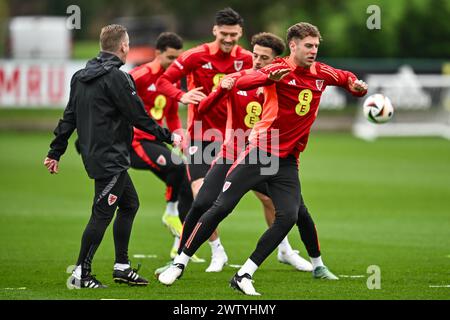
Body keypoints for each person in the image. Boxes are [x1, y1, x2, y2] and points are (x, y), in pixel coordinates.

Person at [157, 22, 368, 295]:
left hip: (288, 161)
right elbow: (251, 78)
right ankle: (181, 262)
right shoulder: (278, 69)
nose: (314, 51)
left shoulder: (322, 72)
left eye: (316, 46)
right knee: (220, 207)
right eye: (308, 46)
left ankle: (245, 273)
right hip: (259, 154)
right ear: (293, 46)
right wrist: (232, 81)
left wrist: (357, 87)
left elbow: (346, 78)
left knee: (290, 215)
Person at [157, 32, 313, 277]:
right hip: (227, 146)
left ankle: (289, 251)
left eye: (264, 58)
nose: (258, 61)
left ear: (277, 60)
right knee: (203, 202)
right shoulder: (237, 77)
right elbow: (203, 108)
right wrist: (218, 90)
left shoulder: (283, 84)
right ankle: (186, 258)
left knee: (281, 205)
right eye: (256, 55)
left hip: (264, 151)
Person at [43, 24, 181, 289]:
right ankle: (81, 275)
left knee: (129, 204)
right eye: (127, 44)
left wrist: (55, 151)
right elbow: (138, 116)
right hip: (111, 159)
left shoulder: (80, 75)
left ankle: (122, 267)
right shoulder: (119, 77)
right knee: (102, 213)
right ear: (123, 47)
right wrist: (169, 136)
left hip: (97, 155)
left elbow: (69, 117)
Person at [156, 7, 253, 272]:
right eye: (224, 33)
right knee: (201, 194)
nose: (229, 39)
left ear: (240, 32)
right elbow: (164, 81)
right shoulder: (196, 55)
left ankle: (285, 250)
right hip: (202, 135)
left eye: (233, 34)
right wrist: (181, 96)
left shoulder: (247, 58)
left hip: (239, 137)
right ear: (214, 30)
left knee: (268, 197)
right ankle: (217, 250)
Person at [128, 32, 203, 263]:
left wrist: (179, 136)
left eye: (178, 58)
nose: (175, 63)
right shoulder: (139, 75)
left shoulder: (170, 81)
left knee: (187, 187)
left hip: (156, 139)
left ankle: (179, 247)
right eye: (170, 58)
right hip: (135, 142)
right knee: (178, 168)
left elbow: (171, 114)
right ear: (158, 53)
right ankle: (170, 214)